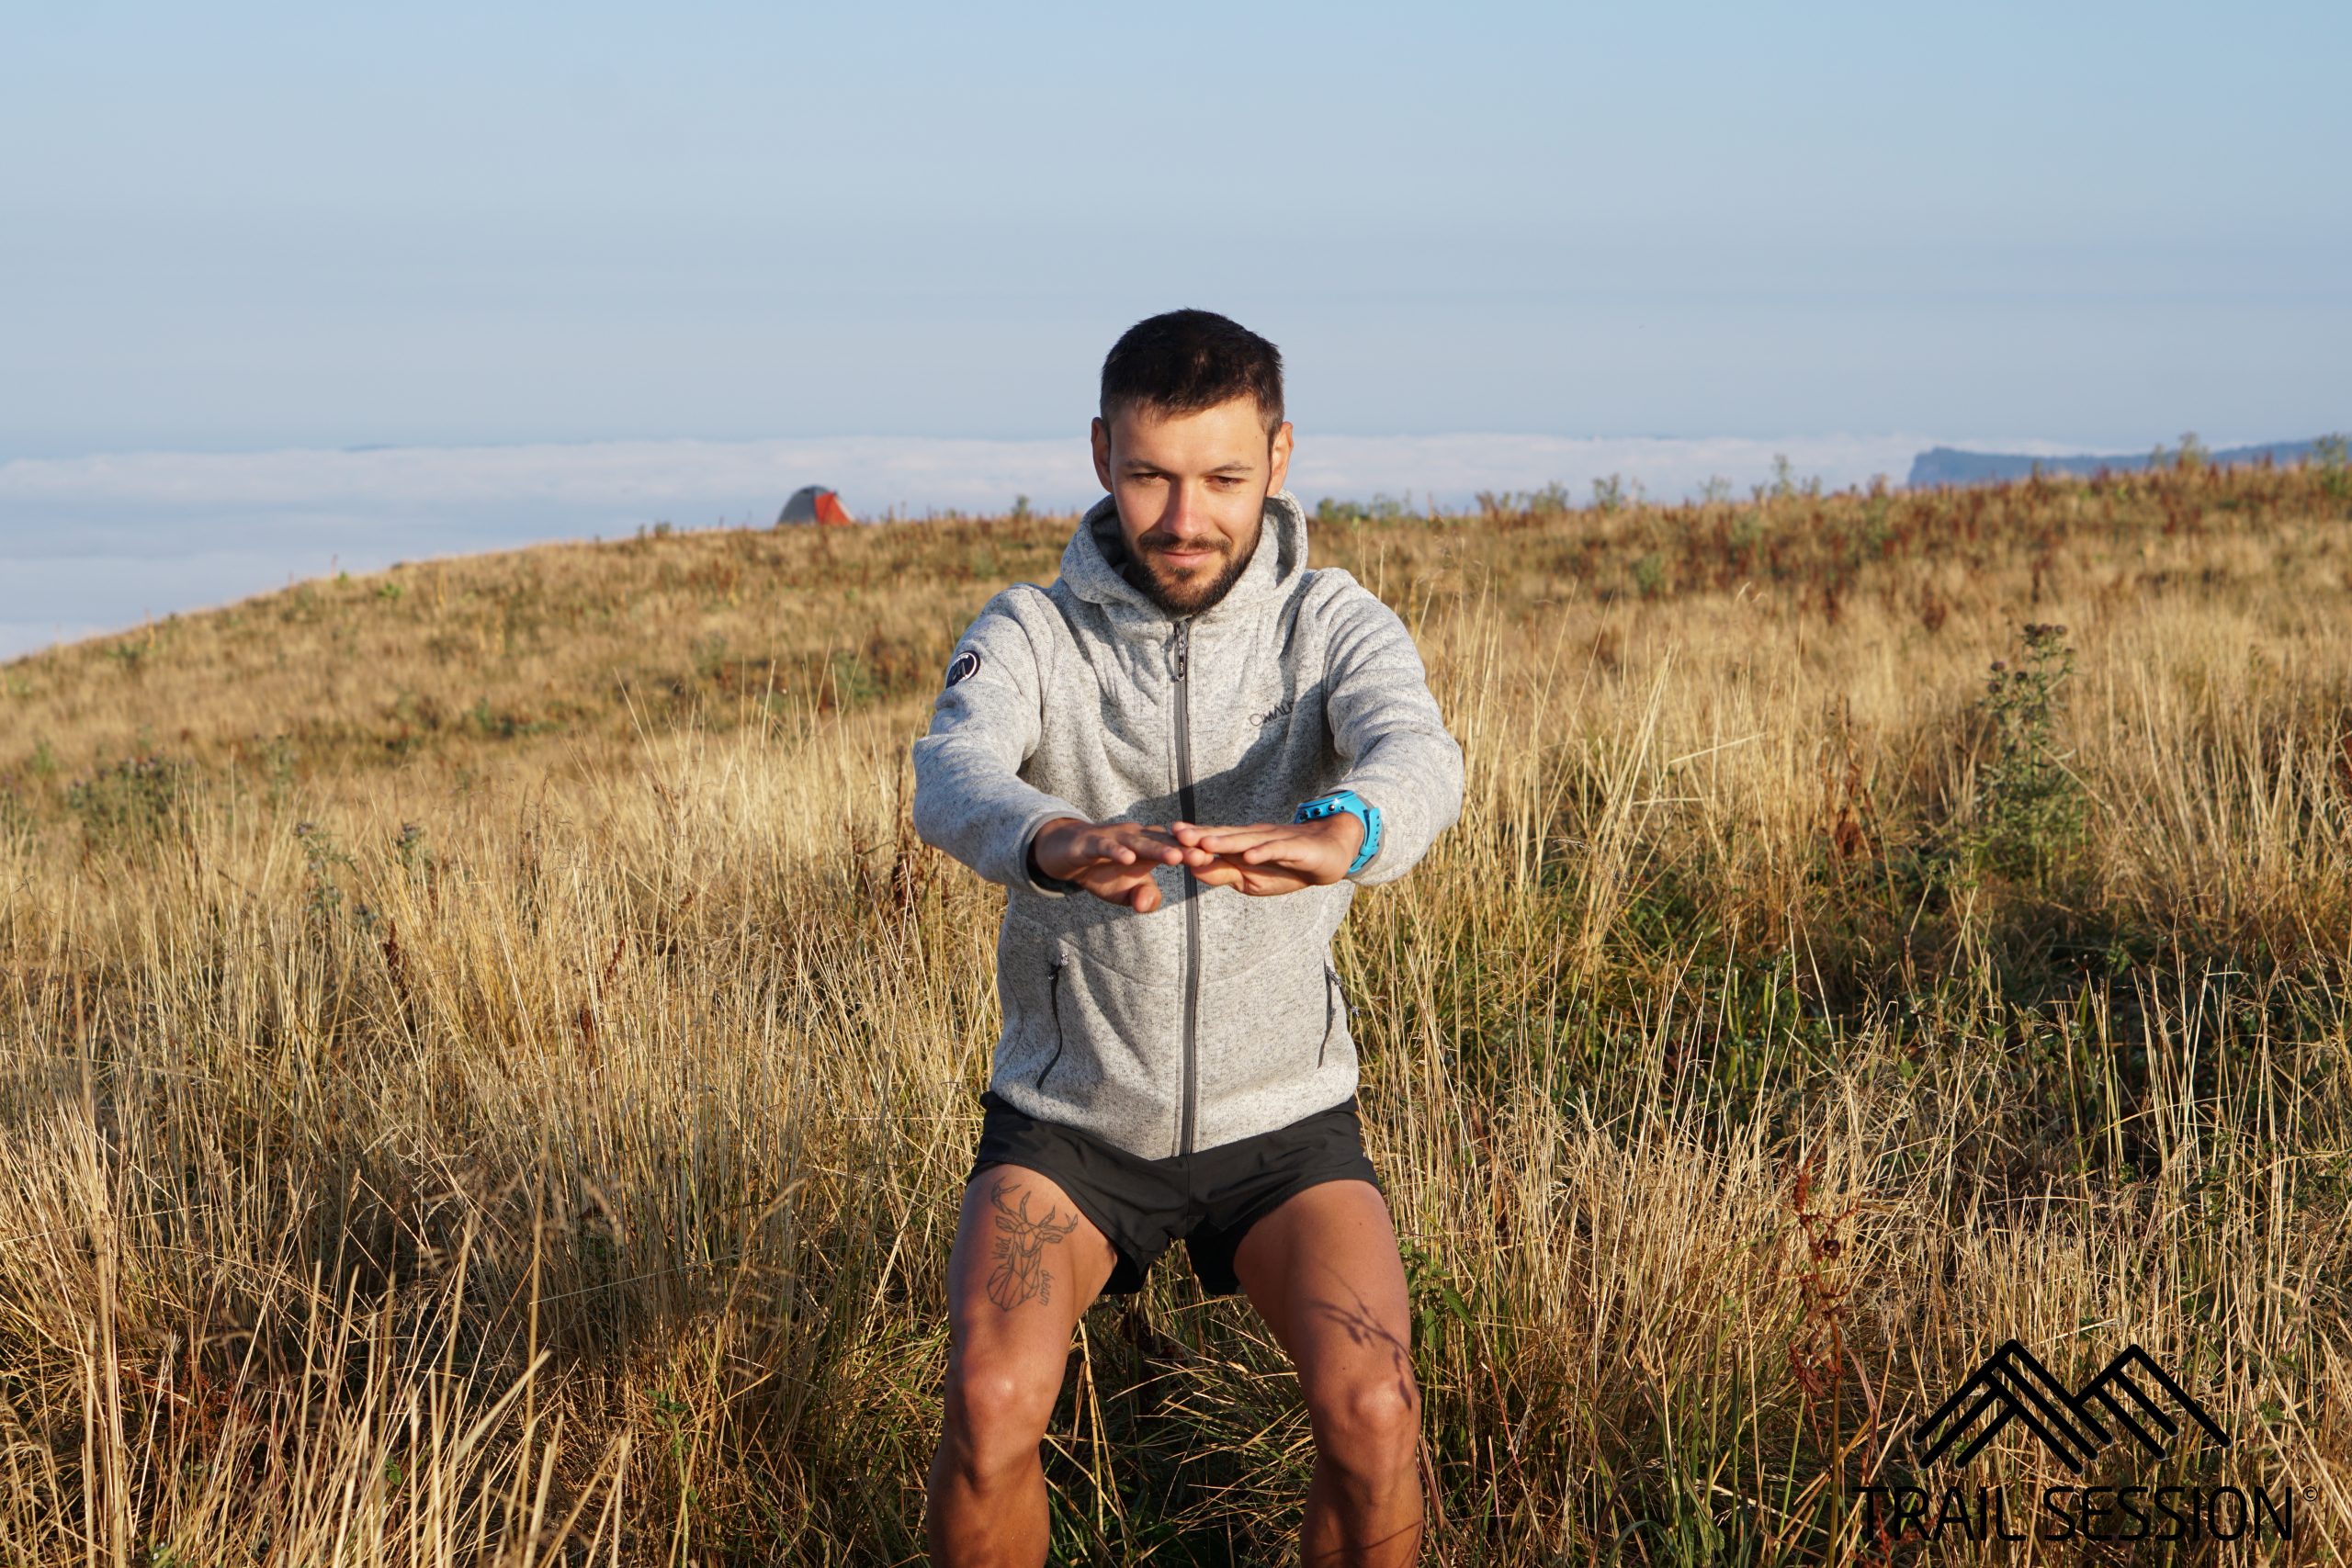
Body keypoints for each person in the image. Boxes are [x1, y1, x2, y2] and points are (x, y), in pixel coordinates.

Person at [910, 308, 1465, 1567]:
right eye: (1153, 475)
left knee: (1376, 1415)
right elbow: (949, 771)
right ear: (1102, 453)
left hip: (1285, 1127)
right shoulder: (1030, 632)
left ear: (1279, 457)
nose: (1184, 517)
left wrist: (1345, 829)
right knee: (991, 1410)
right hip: (1072, 1127)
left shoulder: (1334, 623)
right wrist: (1052, 836)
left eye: (1221, 478)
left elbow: (1420, 755)